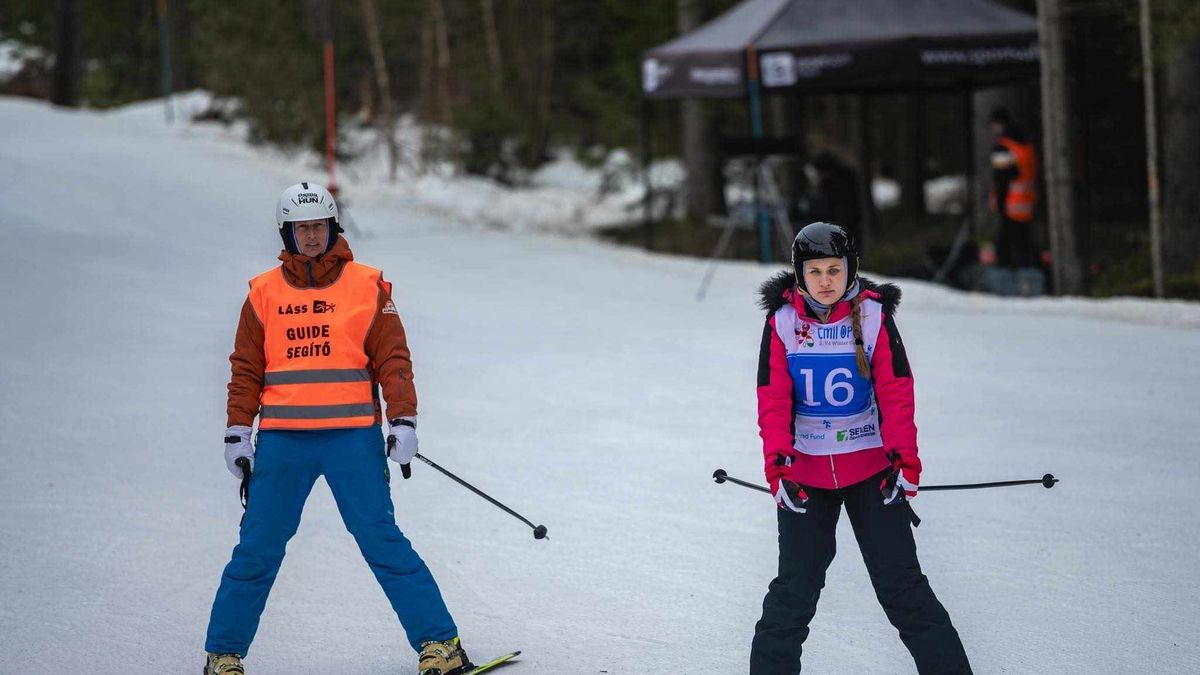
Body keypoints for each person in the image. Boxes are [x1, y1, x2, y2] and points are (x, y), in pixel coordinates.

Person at [203, 183, 470, 675]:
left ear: (332, 229)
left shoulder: (366, 285)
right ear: (287, 232)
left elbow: (393, 359)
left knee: (380, 539)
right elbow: (246, 369)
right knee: (257, 547)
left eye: (318, 227)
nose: (310, 236)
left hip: (353, 439)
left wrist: (403, 418)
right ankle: (223, 655)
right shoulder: (263, 293)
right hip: (284, 441)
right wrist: (237, 431)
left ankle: (441, 645)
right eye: (301, 228)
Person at [749, 222, 971, 674]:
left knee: (903, 589)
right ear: (799, 274)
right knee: (792, 594)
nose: (826, 281)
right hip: (806, 479)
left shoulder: (872, 318)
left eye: (835, 269)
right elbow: (772, 400)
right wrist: (779, 471)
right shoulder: (783, 322)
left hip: (873, 474)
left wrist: (905, 463)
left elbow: (896, 392)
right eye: (815, 271)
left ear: (851, 270)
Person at [987, 107, 1038, 269]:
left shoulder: (1003, 147)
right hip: (1027, 204)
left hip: (1010, 206)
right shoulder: (1025, 145)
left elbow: (1003, 179)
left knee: (1006, 249)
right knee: (1025, 245)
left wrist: (1000, 205)